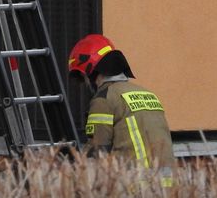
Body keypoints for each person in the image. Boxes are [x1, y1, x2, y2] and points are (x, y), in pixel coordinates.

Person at [68, 33, 175, 187]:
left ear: (91, 71)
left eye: (83, 77)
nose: (85, 83)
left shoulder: (103, 99)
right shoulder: (148, 94)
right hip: (168, 185)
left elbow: (97, 150)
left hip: (134, 185)